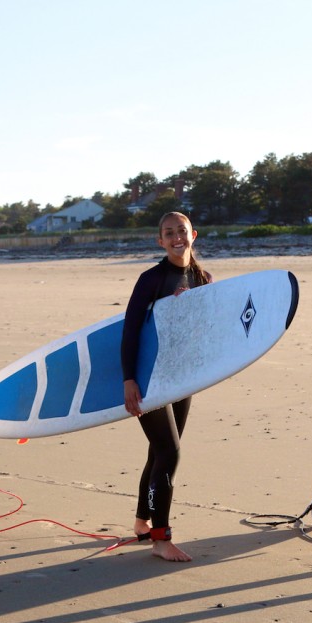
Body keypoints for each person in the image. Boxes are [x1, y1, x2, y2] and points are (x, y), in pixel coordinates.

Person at [121, 212, 212, 562]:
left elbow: (205, 329)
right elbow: (130, 331)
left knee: (159, 451)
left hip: (182, 378)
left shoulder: (202, 278)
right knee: (170, 453)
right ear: (160, 240)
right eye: (169, 233)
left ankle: (142, 521)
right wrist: (129, 379)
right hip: (150, 379)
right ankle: (161, 537)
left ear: (193, 235)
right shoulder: (151, 279)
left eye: (182, 231)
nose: (177, 237)